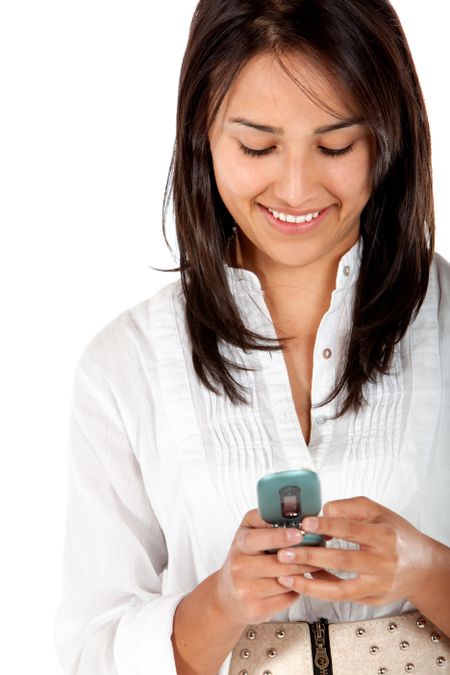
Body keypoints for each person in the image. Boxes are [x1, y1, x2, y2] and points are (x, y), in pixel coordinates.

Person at [54, 1, 450, 673]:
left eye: (335, 146)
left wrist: (427, 569)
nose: (295, 188)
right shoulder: (125, 366)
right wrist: (220, 603)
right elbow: (89, 653)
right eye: (257, 147)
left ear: (390, 138)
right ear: (201, 134)